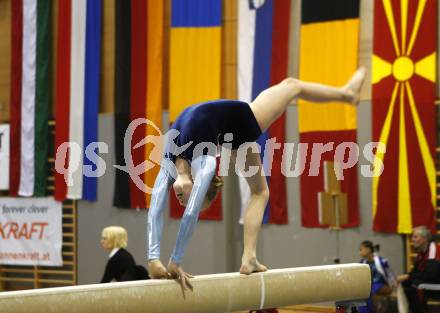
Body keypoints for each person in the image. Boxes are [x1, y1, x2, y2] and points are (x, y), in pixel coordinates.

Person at [146, 67, 367, 290]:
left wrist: (175, 260)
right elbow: (156, 206)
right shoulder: (193, 163)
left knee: (293, 85)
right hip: (231, 132)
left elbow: (188, 211)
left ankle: (347, 94)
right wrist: (154, 260)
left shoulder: (191, 163)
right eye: (190, 199)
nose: (183, 203)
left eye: (189, 199)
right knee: (261, 192)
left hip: (240, 122)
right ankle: (249, 258)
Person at [397, 226, 440, 313]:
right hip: (432, 282)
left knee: (414, 285)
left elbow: (431, 274)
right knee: (407, 283)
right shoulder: (422, 252)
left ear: (424, 238)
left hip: (437, 283)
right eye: (413, 237)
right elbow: (415, 272)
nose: (412, 239)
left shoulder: (433, 249)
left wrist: (407, 276)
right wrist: (406, 277)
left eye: (415, 237)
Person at [359, 240, 396, 313]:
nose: (360, 252)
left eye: (361, 249)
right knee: (361, 292)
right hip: (369, 285)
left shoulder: (382, 261)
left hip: (381, 284)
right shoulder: (362, 262)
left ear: (368, 249)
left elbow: (390, 273)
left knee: (370, 290)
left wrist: (393, 284)